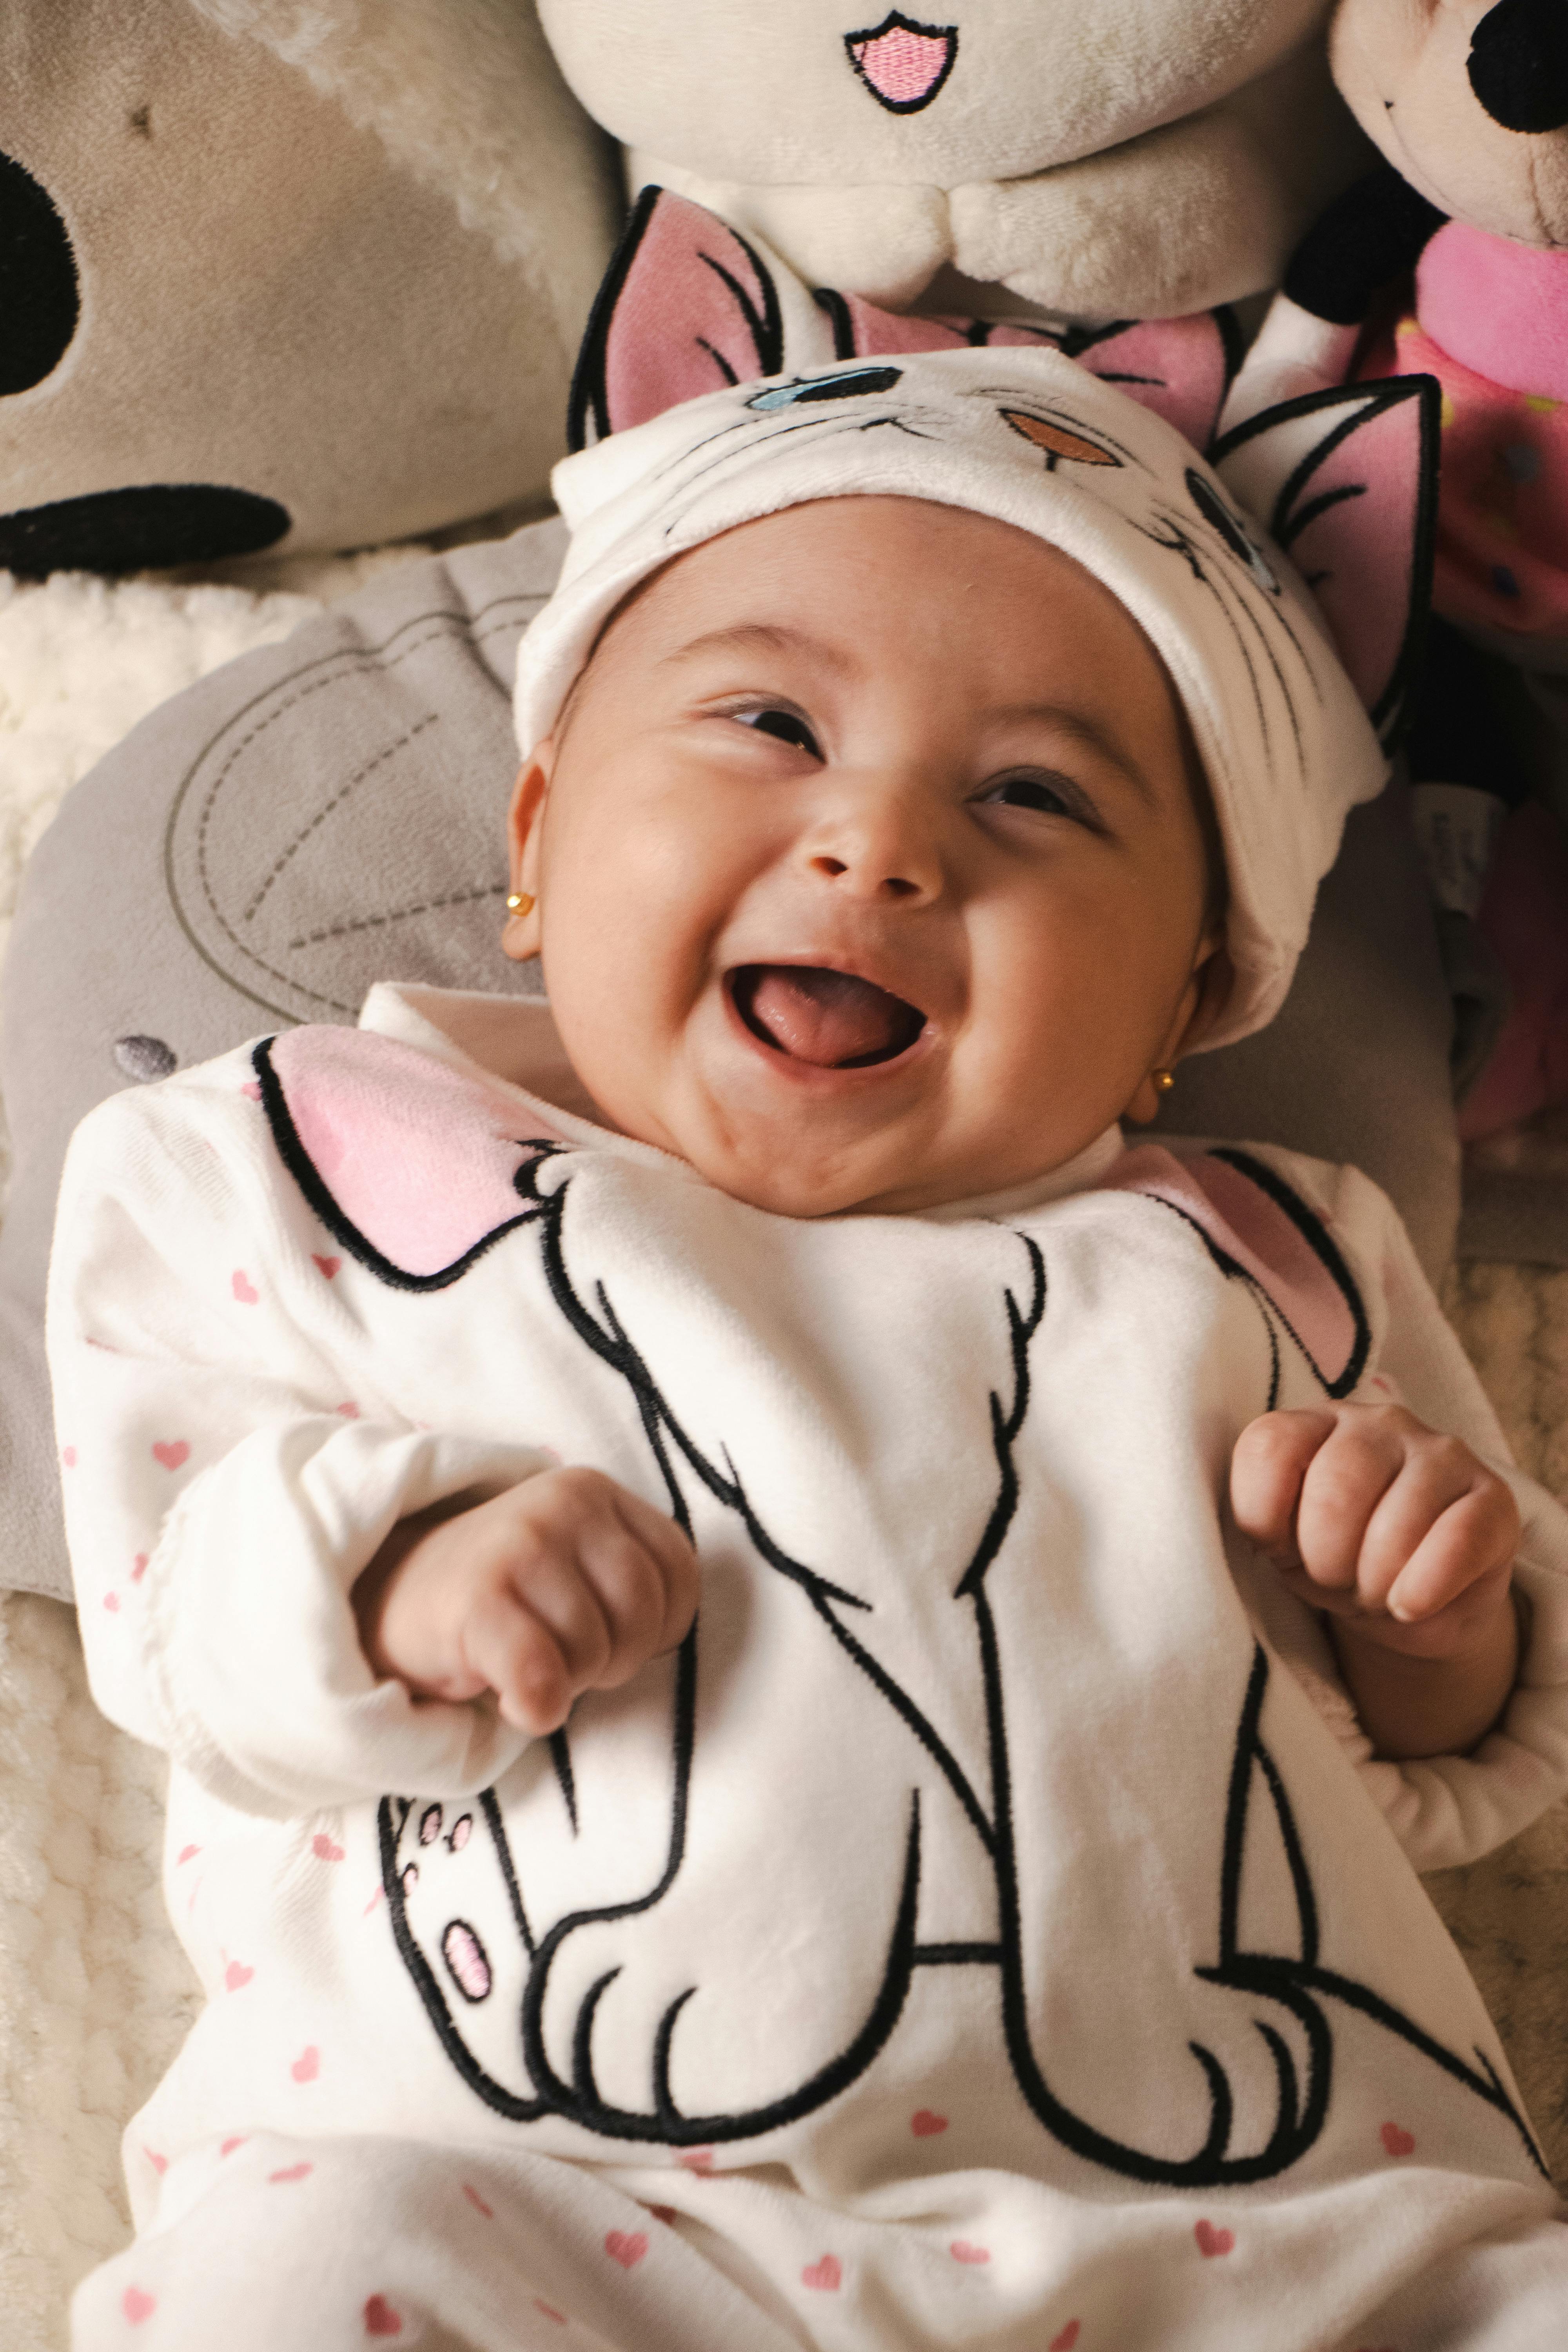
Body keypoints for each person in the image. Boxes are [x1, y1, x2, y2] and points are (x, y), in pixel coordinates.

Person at [49, 346, 1568, 2352]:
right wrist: (395, 1579)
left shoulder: (1265, 1258)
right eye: (768, 723)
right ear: (536, 832)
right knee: (292, 2281)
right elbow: (169, 1604)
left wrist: (1431, 1602)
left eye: (1034, 794)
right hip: (556, 2210)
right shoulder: (314, 1160)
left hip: (1279, 2239)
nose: (878, 846)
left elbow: (1463, 1766)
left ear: (1189, 994)